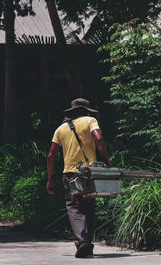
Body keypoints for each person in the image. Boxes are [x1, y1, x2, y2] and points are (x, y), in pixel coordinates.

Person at [46, 98, 111, 258]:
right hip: (89, 173)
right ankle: (86, 244)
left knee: (74, 207)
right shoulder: (90, 120)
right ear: (86, 110)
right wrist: (108, 162)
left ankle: (82, 242)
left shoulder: (60, 129)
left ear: (72, 112)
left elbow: (51, 154)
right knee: (89, 207)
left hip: (69, 174)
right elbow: (99, 139)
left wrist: (49, 179)